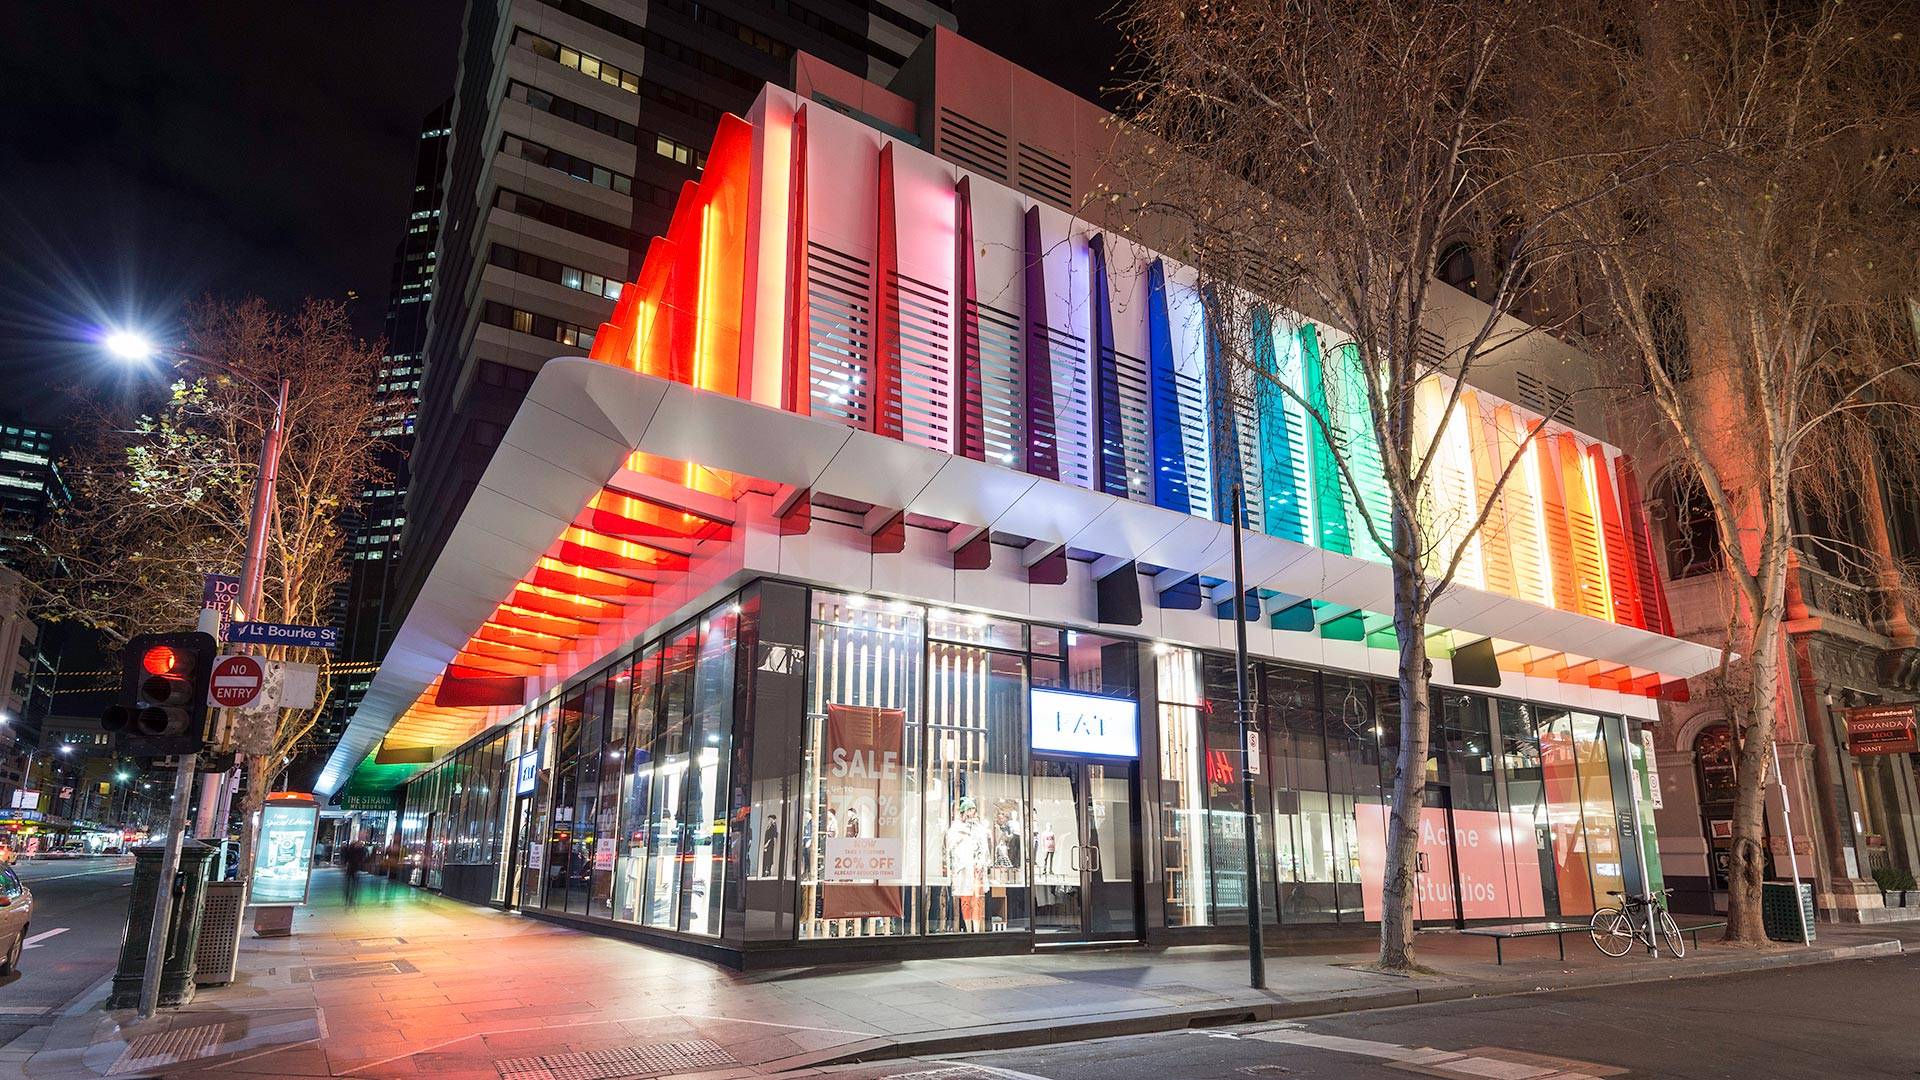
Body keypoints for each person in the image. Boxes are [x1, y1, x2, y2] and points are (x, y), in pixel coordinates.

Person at [341, 839, 367, 907]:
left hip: (354, 868)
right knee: (351, 883)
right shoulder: (352, 850)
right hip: (352, 868)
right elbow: (361, 858)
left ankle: (350, 896)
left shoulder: (357, 850)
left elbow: (362, 858)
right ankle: (349, 896)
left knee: (353, 884)